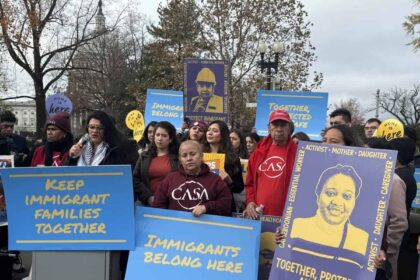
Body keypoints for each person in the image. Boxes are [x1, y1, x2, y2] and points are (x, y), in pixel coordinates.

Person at [290, 164, 369, 255]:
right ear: (318, 196)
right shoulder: (296, 227)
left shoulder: (362, 240)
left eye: (347, 196)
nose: (337, 202)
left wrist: (379, 262)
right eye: (330, 193)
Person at [153, 140, 232, 216]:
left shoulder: (215, 180)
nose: (189, 158)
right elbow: (158, 204)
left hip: (205, 226)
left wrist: (206, 207)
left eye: (192, 154)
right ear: (180, 159)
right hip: (175, 226)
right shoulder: (170, 179)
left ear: (201, 156)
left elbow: (226, 203)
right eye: (184, 155)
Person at [367, 137, 408, 280]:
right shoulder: (367, 176)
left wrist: (387, 252)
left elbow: (398, 221)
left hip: (380, 256)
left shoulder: (393, 180)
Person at [244, 109, 297, 217]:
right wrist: (250, 201)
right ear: (269, 128)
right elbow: (249, 184)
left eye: (283, 125)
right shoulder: (257, 153)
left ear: (289, 128)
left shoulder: (299, 153)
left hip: (287, 218)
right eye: (275, 125)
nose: (279, 129)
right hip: (259, 215)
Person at [68, 110, 138, 167]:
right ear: (87, 128)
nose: (95, 131)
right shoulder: (80, 144)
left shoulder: (117, 148)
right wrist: (72, 157)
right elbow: (67, 172)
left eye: (100, 128)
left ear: (106, 129)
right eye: (92, 127)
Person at [133, 121, 179, 206]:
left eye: (164, 136)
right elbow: (136, 179)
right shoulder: (144, 156)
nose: (160, 138)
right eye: (157, 135)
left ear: (171, 139)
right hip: (148, 204)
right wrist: (148, 197)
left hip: (172, 204)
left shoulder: (179, 158)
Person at [203, 120, 244, 212]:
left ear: (223, 135)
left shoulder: (232, 159)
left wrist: (229, 181)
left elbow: (239, 187)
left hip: (223, 204)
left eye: (215, 130)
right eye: (209, 130)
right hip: (202, 202)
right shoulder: (198, 155)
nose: (210, 133)